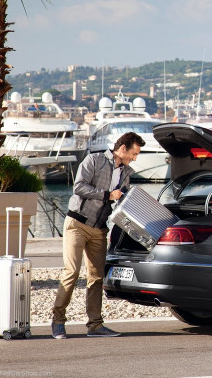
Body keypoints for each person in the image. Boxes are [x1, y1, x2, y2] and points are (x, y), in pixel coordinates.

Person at [51, 132, 145, 339]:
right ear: (122, 149)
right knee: (72, 272)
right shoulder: (95, 160)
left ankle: (95, 325)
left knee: (96, 278)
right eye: (134, 153)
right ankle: (58, 321)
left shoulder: (126, 172)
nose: (135, 158)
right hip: (77, 223)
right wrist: (107, 195)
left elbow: (124, 201)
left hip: (100, 229)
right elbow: (79, 187)